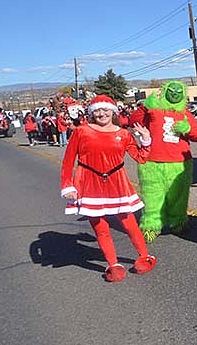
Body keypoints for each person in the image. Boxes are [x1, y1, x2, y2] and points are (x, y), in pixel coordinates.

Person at [60, 95, 157, 282]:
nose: (101, 114)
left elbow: (141, 157)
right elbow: (67, 161)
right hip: (89, 184)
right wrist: (68, 186)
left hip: (117, 183)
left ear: (113, 112)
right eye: (97, 110)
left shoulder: (124, 134)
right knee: (100, 228)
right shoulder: (81, 131)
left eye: (105, 110)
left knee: (129, 223)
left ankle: (144, 256)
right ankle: (113, 265)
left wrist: (146, 139)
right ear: (91, 113)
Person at [129, 80, 197, 243]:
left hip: (180, 162)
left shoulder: (185, 114)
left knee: (178, 196)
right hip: (152, 161)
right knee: (152, 196)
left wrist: (187, 129)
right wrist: (144, 107)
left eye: (179, 92)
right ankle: (151, 225)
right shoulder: (153, 110)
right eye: (172, 91)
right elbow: (132, 122)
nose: (175, 94)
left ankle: (178, 223)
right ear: (165, 92)